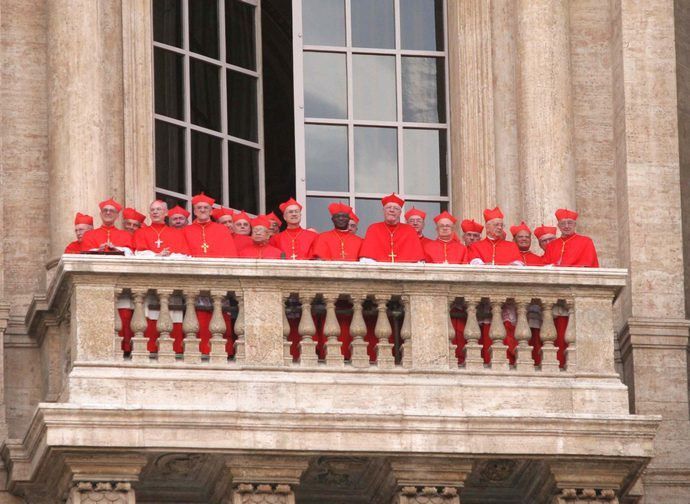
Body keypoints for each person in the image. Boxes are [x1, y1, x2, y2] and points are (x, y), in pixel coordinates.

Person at [359, 193, 425, 263]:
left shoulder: (409, 230)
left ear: (400, 213)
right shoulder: (373, 229)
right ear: (383, 211)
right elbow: (366, 260)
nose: (392, 210)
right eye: (388, 207)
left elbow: (418, 261)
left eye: (396, 208)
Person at [182, 193, 237, 257]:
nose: (202, 210)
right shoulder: (185, 230)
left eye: (206, 208)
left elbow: (230, 252)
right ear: (194, 212)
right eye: (199, 208)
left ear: (211, 212)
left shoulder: (222, 229)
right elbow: (183, 254)